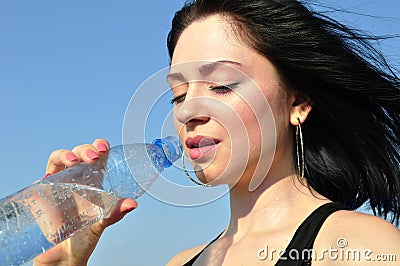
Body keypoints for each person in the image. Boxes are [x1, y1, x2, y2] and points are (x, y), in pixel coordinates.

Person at [34, 0, 400, 265]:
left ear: (297, 104)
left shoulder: (359, 248)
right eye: (178, 95)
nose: (189, 110)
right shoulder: (181, 262)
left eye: (222, 85)